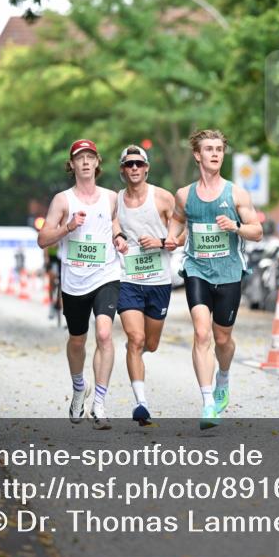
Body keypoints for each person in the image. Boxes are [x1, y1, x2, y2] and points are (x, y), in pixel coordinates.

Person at [167, 129, 263, 429]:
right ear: (197, 155)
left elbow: (257, 231)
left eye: (219, 149)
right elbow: (178, 225)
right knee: (201, 334)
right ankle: (208, 402)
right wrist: (170, 239)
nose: (215, 154)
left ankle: (223, 377)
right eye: (209, 149)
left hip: (229, 272)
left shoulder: (235, 194)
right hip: (197, 270)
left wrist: (235, 226)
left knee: (223, 339)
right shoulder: (184, 195)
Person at [37, 139, 120, 430]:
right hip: (74, 281)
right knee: (77, 340)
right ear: (71, 165)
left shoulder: (111, 198)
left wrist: (120, 239)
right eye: (79, 158)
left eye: (90, 157)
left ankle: (99, 403)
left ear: (98, 163)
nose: (85, 162)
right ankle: (77, 388)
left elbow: (120, 227)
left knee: (105, 334)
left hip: (106, 275)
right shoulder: (62, 200)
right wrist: (67, 228)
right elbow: (43, 239)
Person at [111, 145, 177, 427]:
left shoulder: (163, 198)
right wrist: (118, 237)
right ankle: (141, 403)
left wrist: (161, 242)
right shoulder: (114, 200)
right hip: (127, 279)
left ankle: (137, 350)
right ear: (122, 171)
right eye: (129, 164)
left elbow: (182, 234)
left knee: (151, 343)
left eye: (139, 163)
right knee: (135, 340)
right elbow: (111, 223)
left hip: (159, 281)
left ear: (147, 168)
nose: (134, 168)